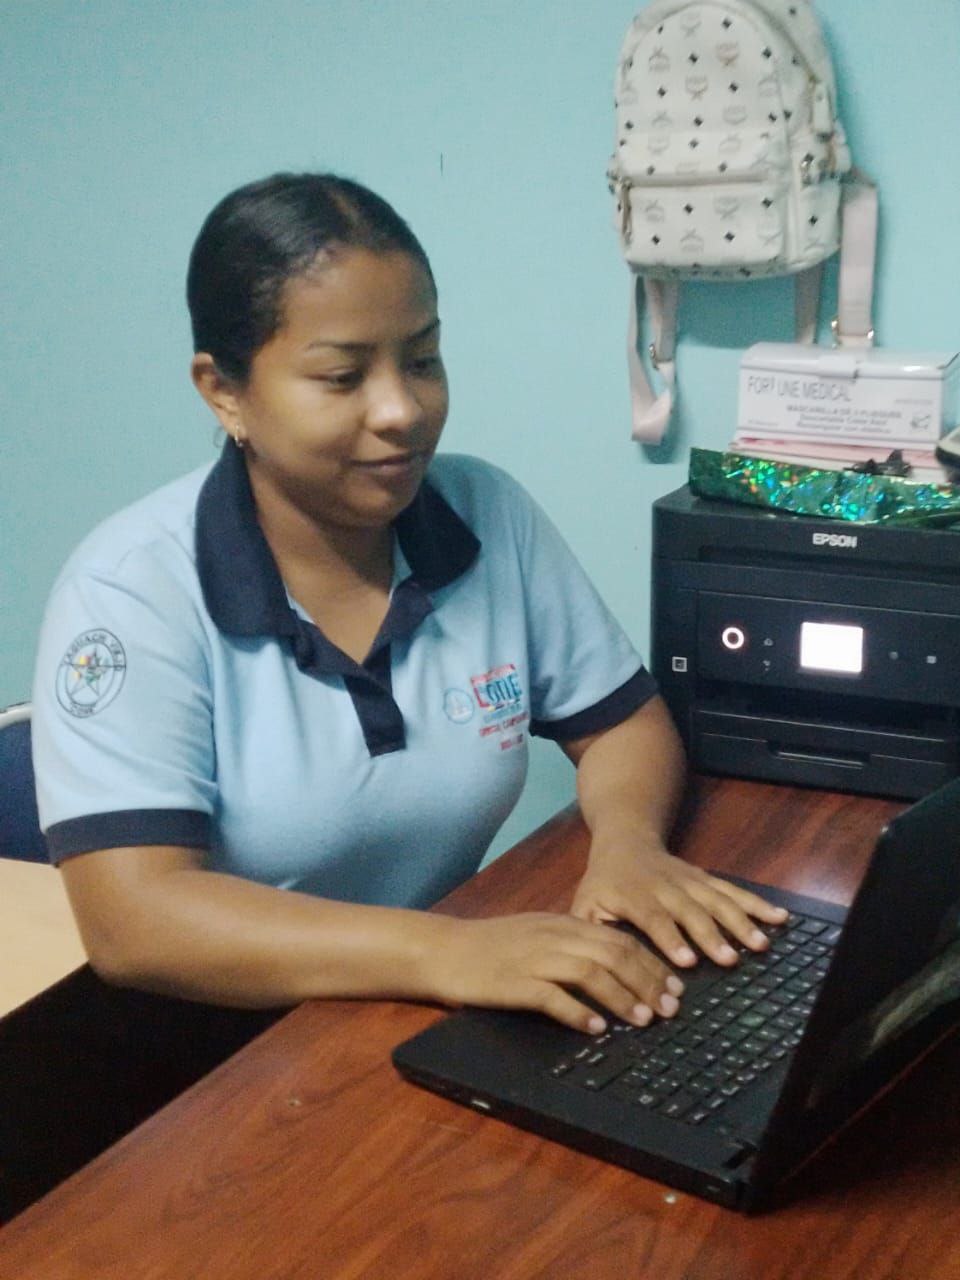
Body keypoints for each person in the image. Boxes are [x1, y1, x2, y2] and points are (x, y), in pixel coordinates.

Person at [31, 173, 786, 1037]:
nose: (401, 410)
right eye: (342, 376)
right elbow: (134, 922)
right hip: (222, 1052)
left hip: (415, 1010)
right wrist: (447, 951)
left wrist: (629, 849)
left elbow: (621, 724)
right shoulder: (132, 590)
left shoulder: (484, 512)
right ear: (223, 389)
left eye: (422, 361)